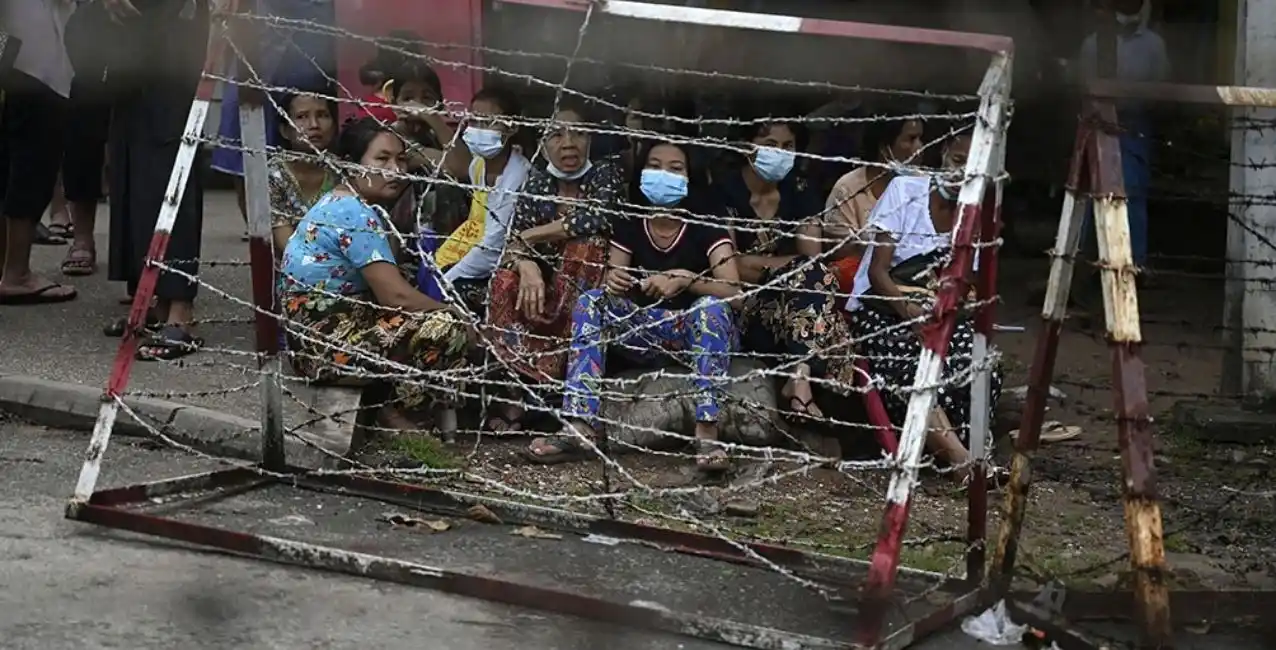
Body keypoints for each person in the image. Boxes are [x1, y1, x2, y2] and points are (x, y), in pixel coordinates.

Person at [523, 140, 741, 471]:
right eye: (654, 166)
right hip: (645, 330)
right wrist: (614, 283)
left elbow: (736, 294)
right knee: (593, 301)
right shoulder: (630, 225)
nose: (663, 174)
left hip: (696, 333)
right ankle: (579, 427)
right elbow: (615, 279)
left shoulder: (706, 226)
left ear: (690, 177)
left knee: (711, 308)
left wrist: (686, 279)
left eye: (675, 169)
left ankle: (707, 433)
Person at [279, 117, 474, 433]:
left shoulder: (340, 201)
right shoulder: (354, 213)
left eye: (401, 159)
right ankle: (397, 410)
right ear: (351, 164)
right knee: (446, 327)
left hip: (314, 341)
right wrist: (458, 317)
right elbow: (394, 296)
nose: (396, 170)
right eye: (382, 159)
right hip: (326, 351)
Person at [846, 131, 1003, 487]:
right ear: (944, 153)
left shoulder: (976, 215)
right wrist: (910, 312)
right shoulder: (905, 192)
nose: (962, 173)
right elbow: (877, 272)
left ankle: (966, 451)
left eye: (974, 168)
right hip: (885, 307)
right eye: (958, 160)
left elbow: (967, 283)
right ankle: (963, 460)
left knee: (981, 364)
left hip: (941, 312)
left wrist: (941, 312)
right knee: (914, 366)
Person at [483, 100, 626, 430]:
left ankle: (563, 385)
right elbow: (511, 246)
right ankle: (516, 394)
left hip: (592, 293)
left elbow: (594, 217)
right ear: (543, 144)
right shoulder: (537, 184)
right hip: (543, 289)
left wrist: (530, 236)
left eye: (578, 134)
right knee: (504, 279)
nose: (568, 143)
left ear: (590, 139)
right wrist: (526, 266)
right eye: (556, 135)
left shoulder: (606, 174)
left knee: (585, 246)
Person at [714, 119, 852, 423]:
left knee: (816, 279)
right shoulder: (724, 192)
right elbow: (731, 268)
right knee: (823, 304)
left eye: (788, 146)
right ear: (747, 147)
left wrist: (764, 265)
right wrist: (791, 267)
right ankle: (804, 382)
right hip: (744, 307)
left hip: (795, 303)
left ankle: (799, 378)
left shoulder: (799, 189)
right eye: (770, 145)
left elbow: (813, 261)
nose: (780, 153)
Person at [102, 0, 210, 359]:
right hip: (130, 29)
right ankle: (149, 301)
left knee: (169, 154)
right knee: (131, 161)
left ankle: (180, 311)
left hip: (175, 22)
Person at [210, 0, 337, 240]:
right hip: (258, 31)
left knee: (314, 123)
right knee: (244, 130)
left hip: (312, 34)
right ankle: (258, 226)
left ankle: (319, 220)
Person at [1075, 0, 1169, 277]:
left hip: (1134, 125)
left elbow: (1162, 86)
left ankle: (1133, 265)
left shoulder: (1153, 45)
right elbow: (1083, 85)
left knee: (1133, 192)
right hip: (1098, 124)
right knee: (1093, 192)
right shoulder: (1093, 44)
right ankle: (1088, 264)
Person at [0, 0, 78, 305]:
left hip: (15, 53)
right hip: (30, 59)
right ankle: (16, 274)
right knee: (31, 162)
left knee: (11, 161)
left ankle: (8, 268)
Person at [430, 86, 530, 314]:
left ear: (512, 127)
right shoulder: (478, 165)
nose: (479, 129)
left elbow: (494, 247)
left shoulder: (518, 176)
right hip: (473, 244)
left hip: (504, 259)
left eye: (489, 122)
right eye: (475, 120)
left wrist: (449, 278)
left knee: (451, 290)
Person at [823, 115, 925, 293]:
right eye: (911, 139)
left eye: (920, 139)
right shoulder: (848, 189)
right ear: (884, 147)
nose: (920, 147)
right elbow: (839, 251)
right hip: (863, 277)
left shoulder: (924, 185)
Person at [268, 91, 338, 253]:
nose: (314, 124)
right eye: (301, 117)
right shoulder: (274, 175)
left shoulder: (342, 171)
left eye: (322, 115)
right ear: (285, 130)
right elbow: (288, 247)